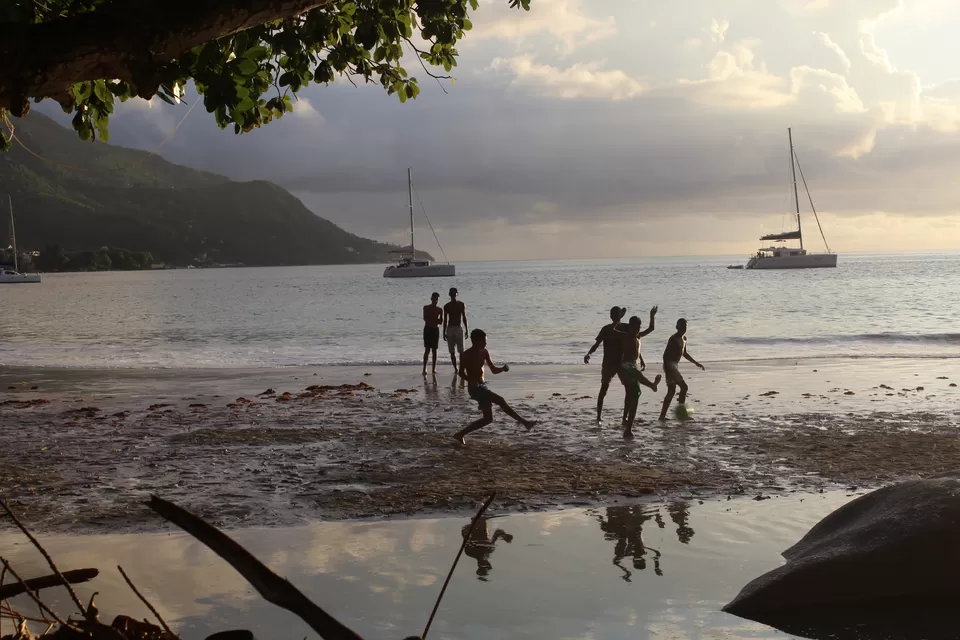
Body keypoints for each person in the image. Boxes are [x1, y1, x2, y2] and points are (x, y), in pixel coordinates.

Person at [454, 329, 536, 445]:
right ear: (475, 341)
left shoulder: (484, 352)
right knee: (501, 400)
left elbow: (493, 370)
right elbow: (461, 373)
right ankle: (525, 423)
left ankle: (460, 434)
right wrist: (470, 380)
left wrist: (502, 369)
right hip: (475, 389)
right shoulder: (466, 355)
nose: (485, 343)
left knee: (488, 419)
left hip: (483, 386)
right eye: (483, 341)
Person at [615, 309, 662, 438]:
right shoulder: (625, 336)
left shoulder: (638, 336)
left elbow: (651, 328)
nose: (636, 330)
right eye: (634, 328)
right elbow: (614, 329)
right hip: (625, 366)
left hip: (634, 364)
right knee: (637, 379)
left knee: (634, 395)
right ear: (629, 327)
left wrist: (651, 315)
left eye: (638, 328)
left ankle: (626, 424)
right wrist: (619, 319)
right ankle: (652, 385)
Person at [584, 306, 628, 426]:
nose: (614, 316)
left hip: (622, 363)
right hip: (608, 363)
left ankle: (625, 417)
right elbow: (597, 344)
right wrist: (589, 354)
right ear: (610, 316)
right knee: (604, 389)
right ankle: (598, 416)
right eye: (613, 314)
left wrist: (640, 358)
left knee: (628, 389)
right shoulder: (606, 329)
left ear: (620, 315)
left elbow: (633, 342)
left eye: (616, 314)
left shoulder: (625, 327)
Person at [659, 318, 705, 421]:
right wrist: (668, 369)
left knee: (671, 391)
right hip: (669, 365)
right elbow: (665, 356)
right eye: (681, 326)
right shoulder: (673, 339)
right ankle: (682, 414)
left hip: (675, 365)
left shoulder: (684, 339)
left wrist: (696, 363)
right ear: (677, 327)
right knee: (684, 387)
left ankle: (662, 416)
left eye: (684, 327)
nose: (683, 328)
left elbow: (684, 353)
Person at [443, 287, 469, 371]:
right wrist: (444, 332)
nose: (453, 295)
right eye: (452, 294)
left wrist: (467, 329)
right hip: (450, 328)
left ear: (456, 294)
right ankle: (455, 369)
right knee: (452, 351)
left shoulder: (461, 304)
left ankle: (461, 368)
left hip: (458, 328)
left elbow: (464, 317)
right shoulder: (447, 306)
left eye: (454, 294)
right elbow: (445, 320)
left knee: (461, 351)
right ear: (449, 294)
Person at [422, 292, 443, 376]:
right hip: (428, 329)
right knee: (427, 349)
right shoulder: (426, 307)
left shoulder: (440, 309)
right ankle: (424, 368)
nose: (436, 301)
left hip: (435, 329)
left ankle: (434, 369)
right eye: (434, 299)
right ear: (431, 299)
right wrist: (435, 320)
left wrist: (434, 320)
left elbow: (441, 321)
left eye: (437, 299)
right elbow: (425, 318)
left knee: (435, 350)